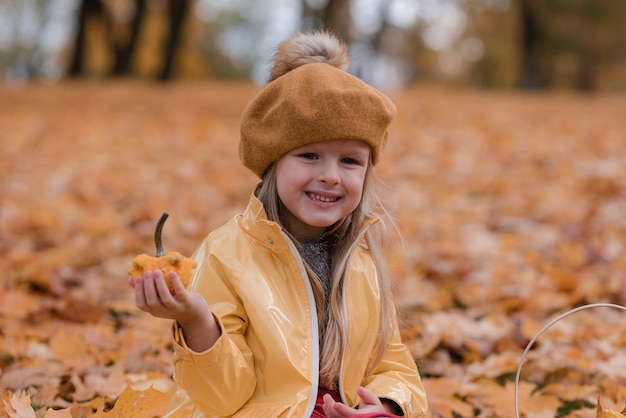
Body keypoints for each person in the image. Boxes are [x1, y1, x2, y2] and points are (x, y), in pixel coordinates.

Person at [129, 30, 428, 418]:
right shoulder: (227, 255)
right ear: (273, 162)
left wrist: (386, 406)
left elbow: (391, 364)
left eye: (350, 161)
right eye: (309, 155)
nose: (331, 176)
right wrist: (197, 320)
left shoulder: (362, 262)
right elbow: (222, 400)